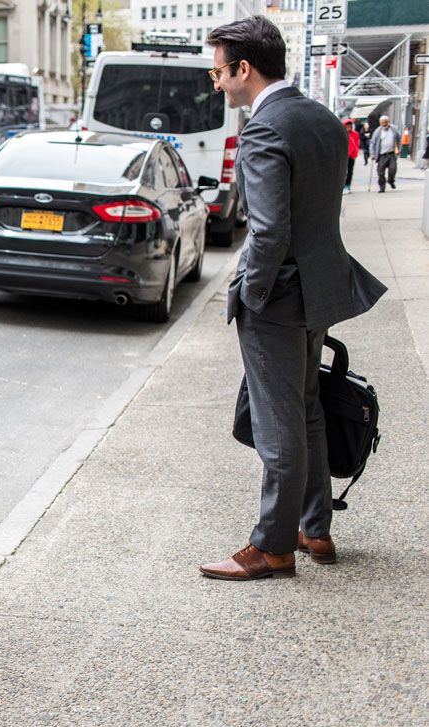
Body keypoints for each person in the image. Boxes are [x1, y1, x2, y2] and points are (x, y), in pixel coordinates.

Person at [198, 16, 386, 581]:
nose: (218, 84)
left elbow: (269, 229)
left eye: (218, 72)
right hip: (320, 289)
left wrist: (250, 295)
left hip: (278, 298)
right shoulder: (323, 119)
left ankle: (272, 547)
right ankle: (315, 528)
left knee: (280, 425)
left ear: (244, 69)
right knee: (305, 411)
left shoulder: (264, 128)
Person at [369, 115, 400, 192]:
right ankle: (382, 187)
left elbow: (399, 138)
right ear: (380, 123)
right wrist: (372, 154)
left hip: (391, 154)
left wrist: (398, 148)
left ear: (388, 122)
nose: (384, 124)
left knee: (393, 170)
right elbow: (372, 143)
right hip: (382, 155)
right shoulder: (378, 131)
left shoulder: (393, 129)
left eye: (385, 122)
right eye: (382, 122)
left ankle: (391, 180)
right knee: (380, 173)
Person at [342, 117, 360, 194]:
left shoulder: (355, 134)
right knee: (343, 171)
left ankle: (348, 185)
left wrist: (355, 154)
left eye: (350, 126)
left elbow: (357, 144)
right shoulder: (342, 134)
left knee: (350, 171)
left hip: (351, 156)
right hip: (344, 156)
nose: (349, 127)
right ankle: (342, 185)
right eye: (347, 126)